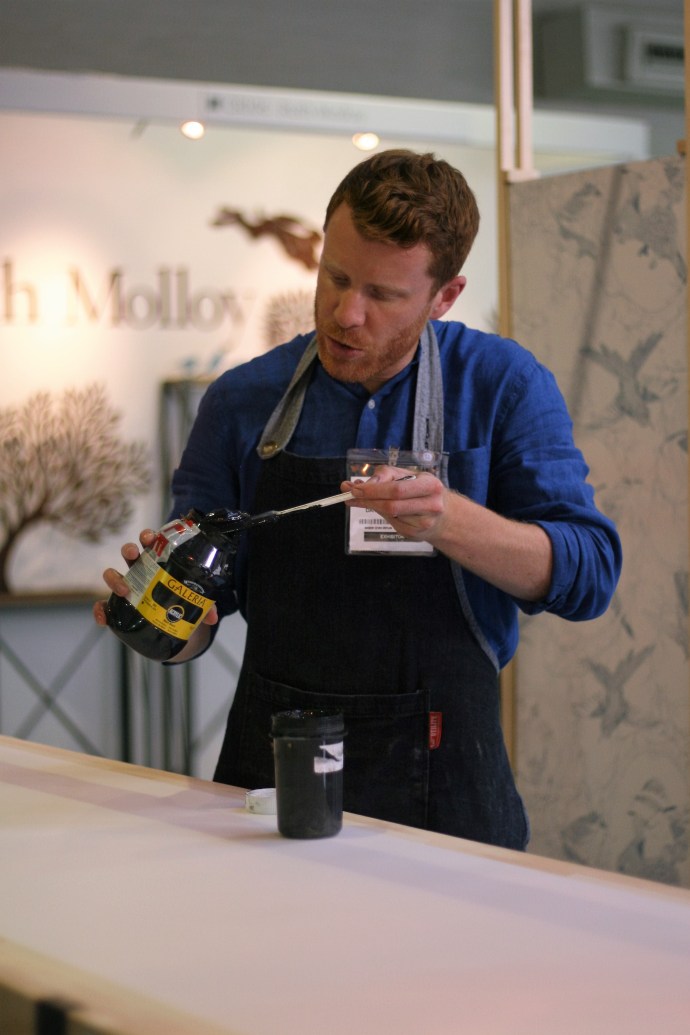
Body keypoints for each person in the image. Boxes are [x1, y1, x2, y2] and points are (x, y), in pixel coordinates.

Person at [95, 149, 622, 850]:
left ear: (445, 296)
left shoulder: (502, 386)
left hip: (446, 783)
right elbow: (203, 617)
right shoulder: (242, 401)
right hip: (272, 782)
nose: (346, 314)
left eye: (383, 294)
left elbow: (590, 575)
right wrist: (161, 624)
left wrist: (448, 520)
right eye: (335, 277)